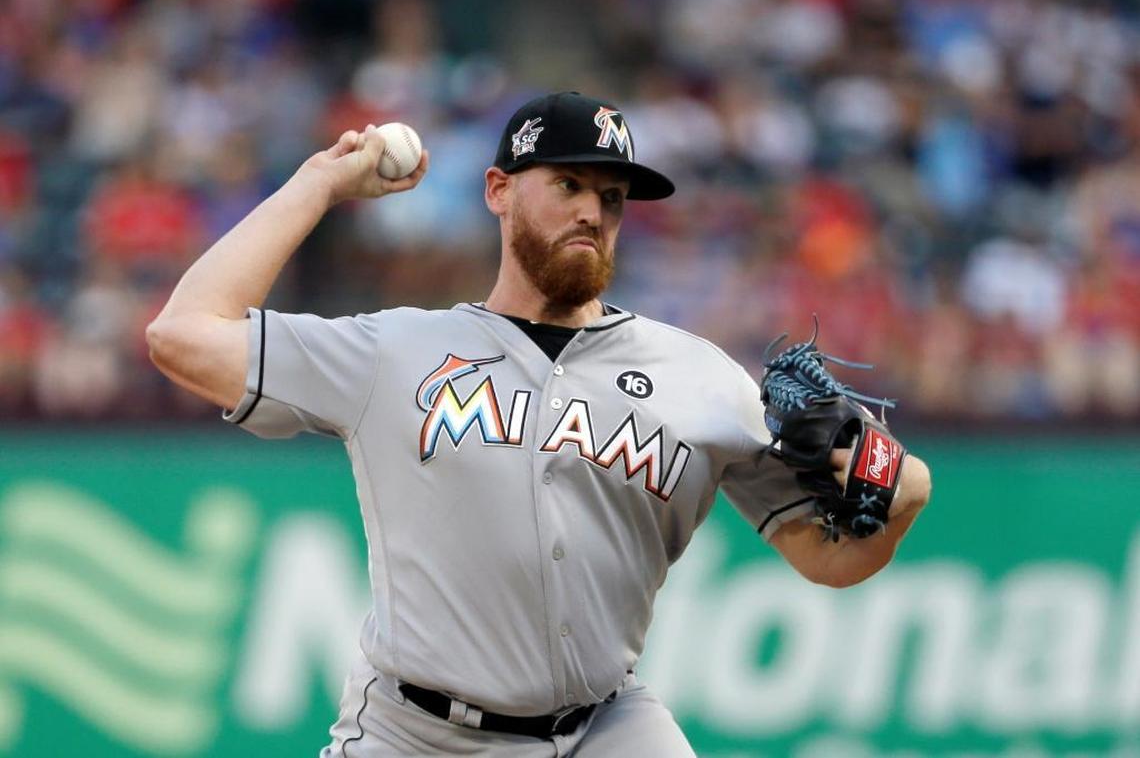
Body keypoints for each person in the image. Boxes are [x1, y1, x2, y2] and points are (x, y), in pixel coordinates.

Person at [147, 91, 932, 757]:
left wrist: (892, 483)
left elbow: (832, 560)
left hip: (605, 729)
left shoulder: (703, 380)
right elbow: (182, 334)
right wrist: (317, 185)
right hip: (415, 733)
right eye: (568, 184)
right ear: (498, 189)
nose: (593, 210)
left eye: (612, 197)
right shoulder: (393, 349)